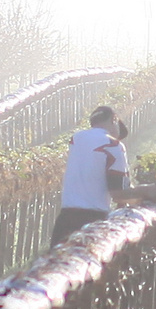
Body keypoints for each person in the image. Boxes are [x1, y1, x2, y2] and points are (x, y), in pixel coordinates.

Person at [52, 105, 129, 245]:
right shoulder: (113, 145)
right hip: (93, 221)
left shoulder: (76, 139)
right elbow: (119, 194)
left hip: (65, 218)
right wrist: (149, 191)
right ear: (114, 119)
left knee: (56, 264)